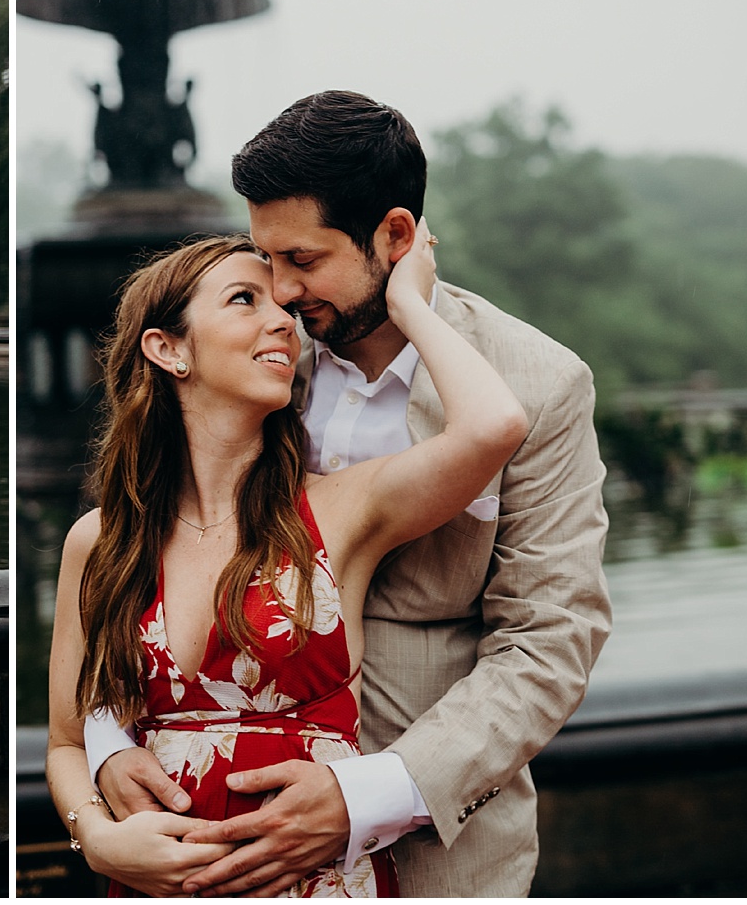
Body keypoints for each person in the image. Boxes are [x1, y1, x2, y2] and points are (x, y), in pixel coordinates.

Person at [85, 93, 613, 896]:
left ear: (396, 237)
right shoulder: (256, 363)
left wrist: (362, 795)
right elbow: (145, 569)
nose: (283, 293)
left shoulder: (538, 385)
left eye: (303, 260)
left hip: (437, 846)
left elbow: (548, 643)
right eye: (266, 262)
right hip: (223, 842)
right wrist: (109, 747)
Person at [47, 225, 528, 897]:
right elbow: (69, 742)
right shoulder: (99, 544)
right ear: (168, 348)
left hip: (316, 884)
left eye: (283, 308)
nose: (283, 322)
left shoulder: (339, 512)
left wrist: (412, 304)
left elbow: (494, 426)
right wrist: (96, 838)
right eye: (246, 300)